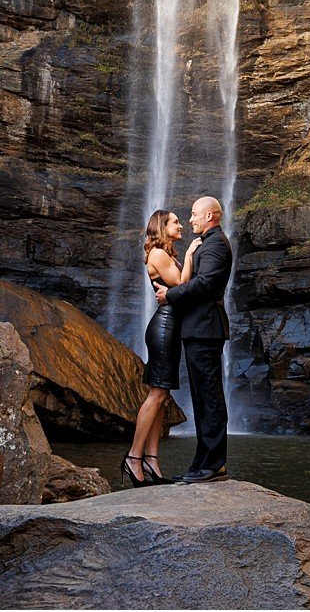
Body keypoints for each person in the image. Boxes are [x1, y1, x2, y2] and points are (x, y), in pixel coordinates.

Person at [155, 195, 233, 483]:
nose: (190, 220)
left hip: (205, 329)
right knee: (202, 399)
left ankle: (213, 465)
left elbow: (205, 284)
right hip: (199, 329)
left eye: (194, 214)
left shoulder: (214, 244)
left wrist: (170, 295)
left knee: (209, 398)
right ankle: (203, 462)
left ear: (210, 216)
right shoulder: (207, 243)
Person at [123, 209, 191, 487]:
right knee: (156, 394)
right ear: (162, 227)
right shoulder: (160, 255)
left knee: (162, 397)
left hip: (171, 328)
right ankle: (133, 457)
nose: (181, 224)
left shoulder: (166, 254)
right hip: (163, 328)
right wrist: (189, 257)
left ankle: (152, 459)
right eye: (175, 221)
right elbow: (180, 284)